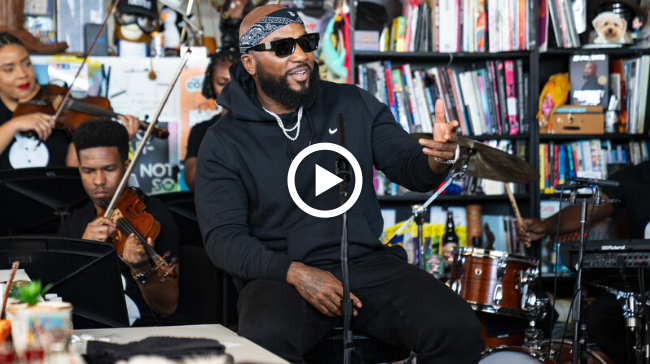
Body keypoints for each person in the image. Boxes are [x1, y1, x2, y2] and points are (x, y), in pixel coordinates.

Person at [195, 5, 483, 363]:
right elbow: (223, 239)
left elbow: (409, 168)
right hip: (281, 275)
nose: (300, 55)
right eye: (283, 48)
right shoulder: (224, 140)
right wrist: (296, 273)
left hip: (365, 262)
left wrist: (438, 156)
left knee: (458, 329)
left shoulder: (352, 102)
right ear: (250, 62)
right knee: (264, 344)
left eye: (306, 42)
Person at [517, 160, 650, 364]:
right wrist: (545, 225)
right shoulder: (636, 176)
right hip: (641, 284)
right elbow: (590, 209)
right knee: (599, 316)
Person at [59, 119, 181, 326]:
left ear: (126, 166)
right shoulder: (72, 223)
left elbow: (167, 307)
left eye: (108, 169)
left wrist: (141, 269)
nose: (99, 181)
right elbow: (61, 302)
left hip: (148, 335)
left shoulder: (154, 217)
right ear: (79, 169)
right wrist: (83, 250)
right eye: (88, 171)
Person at [0, 32, 139, 170]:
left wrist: (118, 141)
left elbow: (75, 169)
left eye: (26, 64)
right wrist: (13, 125)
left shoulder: (57, 98)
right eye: (9, 69)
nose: (22, 74)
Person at [184, 47, 239, 190]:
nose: (230, 89)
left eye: (237, 81)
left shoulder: (263, 124)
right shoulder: (200, 130)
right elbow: (191, 181)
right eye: (222, 83)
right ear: (211, 84)